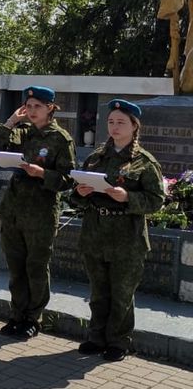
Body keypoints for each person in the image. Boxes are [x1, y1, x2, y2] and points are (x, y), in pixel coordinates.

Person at [71, 99, 164, 362]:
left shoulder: (144, 162)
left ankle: (118, 341)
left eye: (121, 122)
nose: (114, 127)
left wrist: (127, 198)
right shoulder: (96, 157)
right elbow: (74, 199)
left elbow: (156, 201)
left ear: (135, 126)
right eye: (111, 122)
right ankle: (95, 337)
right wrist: (80, 192)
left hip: (127, 238)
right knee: (99, 292)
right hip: (95, 234)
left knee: (122, 293)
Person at [0, 85, 76, 340]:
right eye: (29, 106)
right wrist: (12, 120)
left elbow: (69, 179)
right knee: (16, 267)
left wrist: (43, 174)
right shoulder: (21, 132)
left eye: (38, 106)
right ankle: (16, 315)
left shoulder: (60, 139)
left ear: (50, 108)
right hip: (13, 209)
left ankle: (33, 319)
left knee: (35, 268)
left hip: (40, 213)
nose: (33, 111)